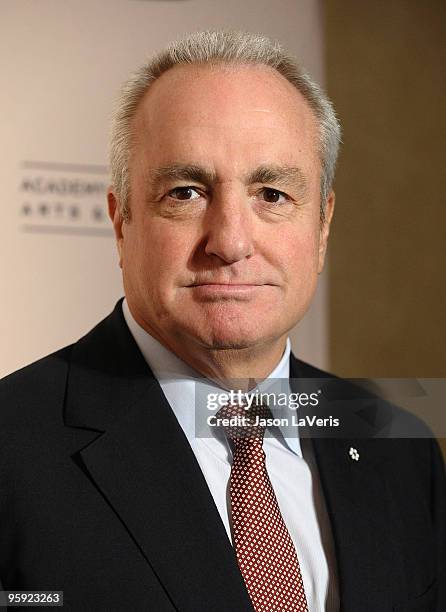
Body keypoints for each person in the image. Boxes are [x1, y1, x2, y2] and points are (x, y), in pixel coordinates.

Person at [0, 30, 444, 612]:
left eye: (273, 194)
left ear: (323, 225)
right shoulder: (11, 451)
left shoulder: (395, 443)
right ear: (121, 221)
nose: (231, 242)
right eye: (185, 192)